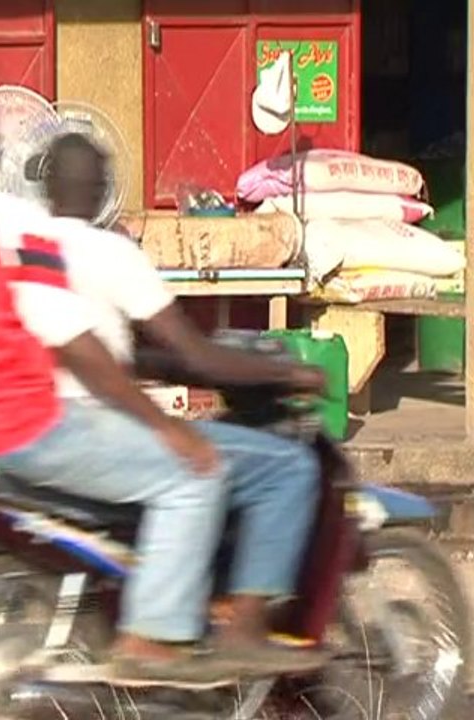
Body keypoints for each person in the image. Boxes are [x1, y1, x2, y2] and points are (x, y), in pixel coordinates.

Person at [0, 89, 297, 685]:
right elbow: (71, 339)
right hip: (26, 434)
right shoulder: (20, 227)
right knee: (195, 474)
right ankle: (155, 642)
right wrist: (165, 427)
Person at [40, 132, 325, 665]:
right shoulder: (111, 250)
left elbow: (102, 350)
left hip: (38, 426)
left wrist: (161, 367)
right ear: (103, 190)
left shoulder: (24, 247)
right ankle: (244, 630)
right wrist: (286, 371)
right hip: (96, 428)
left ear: (45, 187)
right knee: (286, 468)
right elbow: (197, 355)